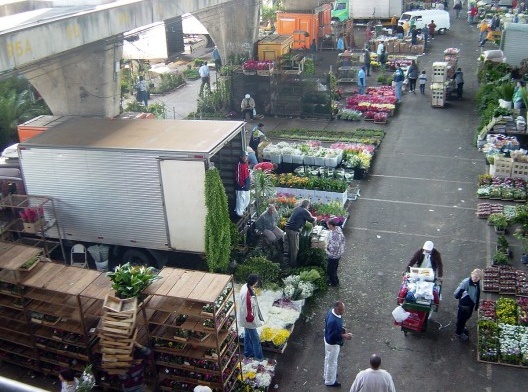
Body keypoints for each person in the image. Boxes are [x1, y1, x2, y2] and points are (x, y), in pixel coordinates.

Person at [323, 301, 352, 387]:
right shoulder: (333, 321)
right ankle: (330, 381)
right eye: (342, 310)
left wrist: (341, 329)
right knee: (332, 363)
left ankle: (327, 375)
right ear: (336, 309)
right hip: (332, 344)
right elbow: (333, 337)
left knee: (328, 359)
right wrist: (345, 336)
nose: (343, 312)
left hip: (327, 339)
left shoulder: (330, 312)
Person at [238, 274, 264, 360]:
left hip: (244, 317)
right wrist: (252, 321)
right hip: (248, 320)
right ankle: (259, 358)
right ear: (255, 283)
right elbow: (248, 309)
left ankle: (248, 353)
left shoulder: (245, 286)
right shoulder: (248, 293)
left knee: (247, 335)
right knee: (256, 340)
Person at [453, 268, 483, 340]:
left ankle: (462, 327)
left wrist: (476, 305)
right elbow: (457, 294)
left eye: (477, 277)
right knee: (461, 319)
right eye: (474, 276)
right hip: (464, 305)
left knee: (467, 317)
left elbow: (477, 293)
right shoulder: (466, 282)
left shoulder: (477, 283)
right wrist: (462, 297)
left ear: (480, 278)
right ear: (471, 274)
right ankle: (459, 332)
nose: (475, 278)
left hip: (471, 304)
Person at [285, 199, 316, 267]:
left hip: (287, 228)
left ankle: (288, 261)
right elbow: (312, 220)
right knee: (295, 249)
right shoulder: (305, 211)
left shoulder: (297, 208)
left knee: (291, 246)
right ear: (307, 205)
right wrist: (315, 222)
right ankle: (293, 264)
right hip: (293, 230)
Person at [326, 219, 345, 287]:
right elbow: (343, 240)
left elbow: (335, 247)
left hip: (334, 255)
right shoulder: (338, 229)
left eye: (328, 225)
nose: (327, 226)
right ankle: (336, 280)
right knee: (334, 268)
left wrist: (328, 247)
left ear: (331, 225)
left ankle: (333, 283)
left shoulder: (335, 235)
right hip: (339, 253)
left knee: (330, 270)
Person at [234, 151, 250, 217]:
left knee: (247, 199)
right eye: (243, 156)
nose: (245, 157)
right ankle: (239, 212)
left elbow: (247, 172)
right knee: (240, 199)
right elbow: (237, 176)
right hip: (240, 186)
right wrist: (241, 184)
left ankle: (242, 210)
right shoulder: (239, 164)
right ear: (241, 157)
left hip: (246, 185)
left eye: (246, 156)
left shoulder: (246, 163)